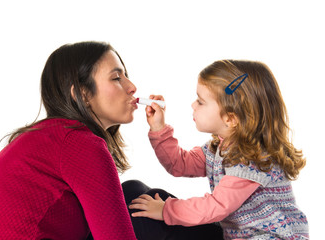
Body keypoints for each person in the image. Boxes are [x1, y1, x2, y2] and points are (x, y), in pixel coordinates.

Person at [127, 60, 309, 239]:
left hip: (272, 236)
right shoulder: (218, 148)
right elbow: (179, 164)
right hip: (239, 234)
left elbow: (215, 206)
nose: (193, 105)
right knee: (136, 191)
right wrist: (159, 128)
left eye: (200, 101)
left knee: (160, 208)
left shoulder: (251, 161)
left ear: (231, 119)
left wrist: (167, 210)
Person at [0, 41, 138, 239]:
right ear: (82, 94)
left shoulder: (44, 137)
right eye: (116, 78)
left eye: (126, 76)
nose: (132, 87)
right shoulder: (78, 142)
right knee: (146, 208)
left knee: (135, 194)